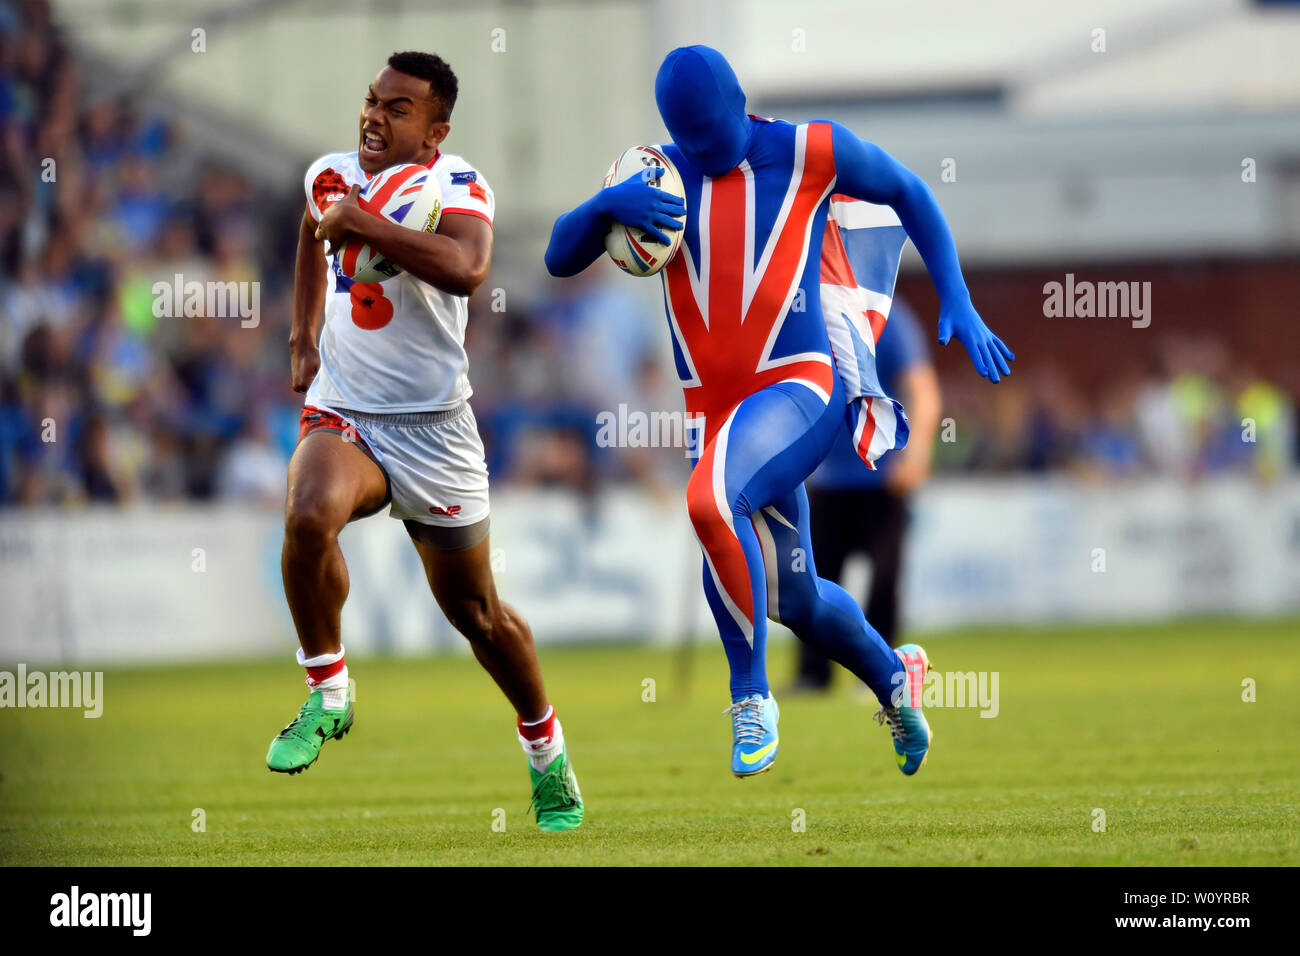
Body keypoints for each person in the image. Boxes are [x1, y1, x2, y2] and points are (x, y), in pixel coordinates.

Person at [544, 45, 1013, 779]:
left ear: (741, 103)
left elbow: (909, 190)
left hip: (801, 388)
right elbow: (556, 258)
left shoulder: (807, 148)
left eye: (711, 131)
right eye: (687, 136)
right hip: (724, 417)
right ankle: (895, 679)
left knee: (709, 500)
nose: (702, 148)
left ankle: (752, 696)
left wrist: (957, 294)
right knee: (792, 595)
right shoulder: (653, 177)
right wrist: (603, 207)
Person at [269, 51, 582, 831]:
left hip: (436, 428)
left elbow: (470, 268)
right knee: (309, 516)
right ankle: (328, 691)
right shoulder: (330, 174)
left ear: (435, 131)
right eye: (372, 100)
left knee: (478, 616)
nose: (375, 115)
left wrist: (364, 225)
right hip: (347, 407)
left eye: (398, 109)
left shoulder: (458, 186)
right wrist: (304, 338)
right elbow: (313, 235)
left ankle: (547, 751)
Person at [792, 297, 941, 692]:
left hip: (883, 480)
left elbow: (922, 392)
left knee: (885, 581)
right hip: (826, 479)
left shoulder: (893, 322)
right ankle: (812, 675)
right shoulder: (812, 317)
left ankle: (882, 671)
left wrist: (917, 454)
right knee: (813, 581)